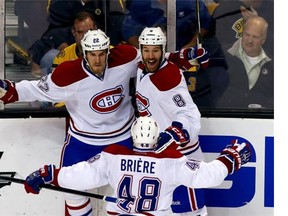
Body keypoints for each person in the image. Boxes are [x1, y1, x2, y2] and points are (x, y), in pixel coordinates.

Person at [0, 29, 207, 215]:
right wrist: (10, 90)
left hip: (124, 139)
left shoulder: (125, 57)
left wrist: (180, 57)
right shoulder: (67, 74)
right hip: (83, 141)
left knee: (131, 198)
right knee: (72, 194)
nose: (98, 60)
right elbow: (35, 89)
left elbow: (151, 56)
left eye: (102, 54)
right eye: (92, 54)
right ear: (84, 53)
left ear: (108, 52)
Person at [23, 116, 251, 216]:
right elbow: (208, 177)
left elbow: (80, 175)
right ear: (157, 138)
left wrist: (48, 174)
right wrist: (230, 158)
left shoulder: (113, 157)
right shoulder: (169, 161)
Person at [135, 27, 205, 215]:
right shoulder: (143, 66)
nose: (150, 56)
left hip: (183, 156)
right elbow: (167, 57)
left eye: (155, 50)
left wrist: (174, 132)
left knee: (191, 212)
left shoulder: (169, 79)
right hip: (160, 155)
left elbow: (189, 115)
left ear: (161, 50)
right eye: (147, 50)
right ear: (141, 50)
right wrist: (183, 55)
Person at [122, 0, 229, 108]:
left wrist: (191, 44)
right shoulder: (139, 4)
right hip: (153, 62)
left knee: (218, 78)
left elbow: (205, 23)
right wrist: (147, 51)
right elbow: (129, 31)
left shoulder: (191, 2)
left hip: (187, 58)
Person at [29, 0, 103, 77]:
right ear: (74, 32)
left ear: (95, 28)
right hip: (66, 79)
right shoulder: (62, 40)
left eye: (89, 31)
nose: (85, 36)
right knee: (50, 57)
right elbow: (41, 43)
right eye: (81, 32)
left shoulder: (107, 49)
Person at [220, 16, 273, 109]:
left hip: (261, 120)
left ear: (263, 40)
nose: (249, 40)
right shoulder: (221, 55)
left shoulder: (273, 64)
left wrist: (266, 109)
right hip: (226, 118)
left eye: (255, 37)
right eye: (247, 35)